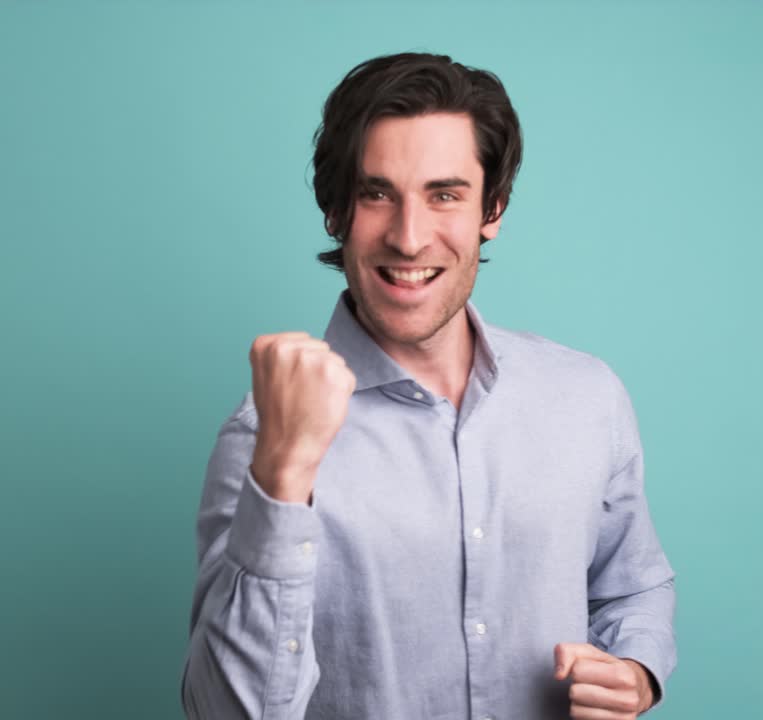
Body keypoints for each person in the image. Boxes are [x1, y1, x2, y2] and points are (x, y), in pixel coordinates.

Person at [181, 52, 676, 719]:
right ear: (335, 212)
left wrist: (636, 670)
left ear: (492, 208)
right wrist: (284, 469)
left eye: (445, 194)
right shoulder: (260, 435)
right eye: (376, 193)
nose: (410, 238)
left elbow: (633, 587)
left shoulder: (587, 397)